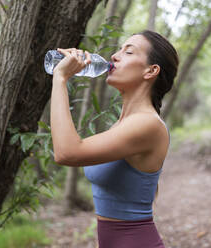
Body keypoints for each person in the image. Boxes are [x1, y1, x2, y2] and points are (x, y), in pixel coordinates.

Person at [50, 30, 179, 248]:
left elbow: (67, 152)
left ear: (151, 71)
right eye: (119, 49)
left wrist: (61, 78)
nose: (114, 56)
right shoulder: (123, 124)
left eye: (128, 52)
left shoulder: (147, 124)